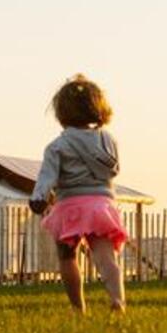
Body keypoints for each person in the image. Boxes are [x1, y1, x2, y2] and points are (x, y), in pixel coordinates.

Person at [29, 74, 130, 313]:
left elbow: (47, 177)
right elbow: (114, 171)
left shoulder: (57, 146)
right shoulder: (108, 140)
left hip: (70, 205)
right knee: (106, 258)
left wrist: (39, 197)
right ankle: (118, 299)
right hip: (101, 206)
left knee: (67, 257)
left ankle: (78, 308)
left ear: (62, 112)